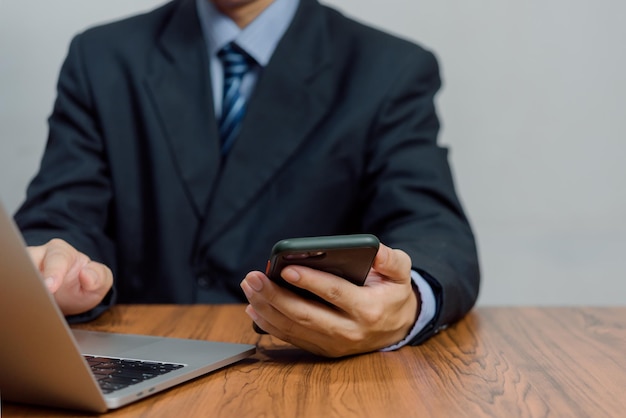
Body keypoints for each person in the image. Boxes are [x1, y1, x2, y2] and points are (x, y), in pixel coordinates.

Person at [14, 0, 480, 357]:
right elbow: (60, 214)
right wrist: (54, 272)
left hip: (307, 368)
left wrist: (406, 305)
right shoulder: (101, 57)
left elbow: (433, 228)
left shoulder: (389, 69)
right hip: (138, 358)